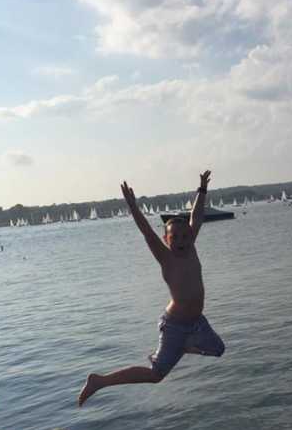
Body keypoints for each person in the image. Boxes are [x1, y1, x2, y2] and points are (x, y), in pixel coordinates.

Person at [78, 171, 225, 406]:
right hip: (175, 325)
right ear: (167, 240)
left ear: (191, 237)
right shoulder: (166, 258)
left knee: (218, 349)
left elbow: (196, 217)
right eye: (174, 237)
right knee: (156, 375)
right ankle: (99, 381)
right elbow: (146, 230)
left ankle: (186, 347)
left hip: (197, 322)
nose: (181, 241)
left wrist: (202, 189)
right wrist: (132, 206)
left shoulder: (190, 247)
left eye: (185, 236)